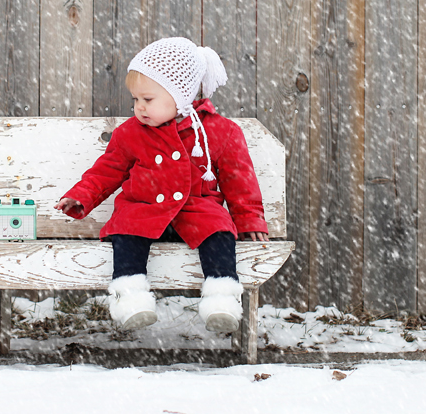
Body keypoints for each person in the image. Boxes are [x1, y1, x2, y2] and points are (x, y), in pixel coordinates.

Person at [54, 37, 269, 333]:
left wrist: (248, 218)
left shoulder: (218, 131)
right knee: (125, 228)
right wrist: (81, 196)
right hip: (145, 209)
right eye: (135, 100)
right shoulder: (131, 133)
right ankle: (132, 299)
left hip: (195, 210)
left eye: (148, 99)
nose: (139, 107)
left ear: (180, 95)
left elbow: (239, 180)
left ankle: (221, 298)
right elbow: (107, 170)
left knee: (219, 228)